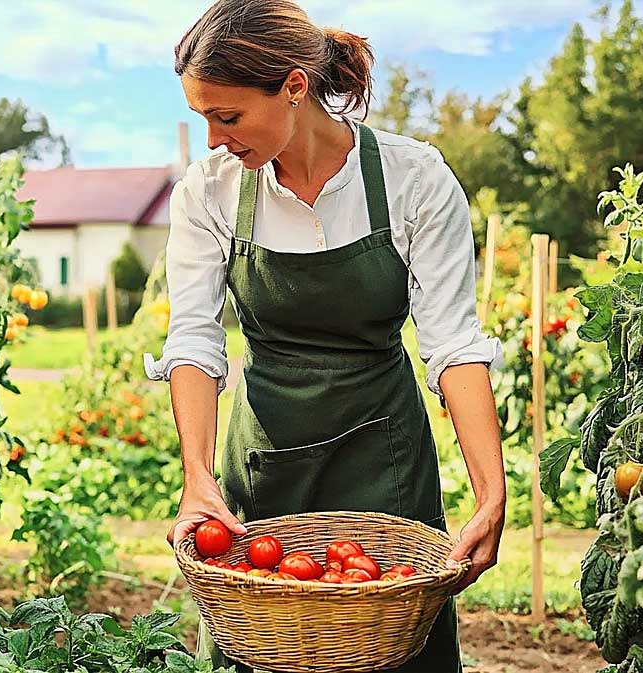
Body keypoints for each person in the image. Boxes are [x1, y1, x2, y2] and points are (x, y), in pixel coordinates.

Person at [146, 1, 507, 670]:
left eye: (227, 118)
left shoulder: (414, 179)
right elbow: (195, 340)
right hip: (264, 463)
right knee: (262, 646)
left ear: (293, 86)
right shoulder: (211, 190)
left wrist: (491, 490)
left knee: (395, 652)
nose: (214, 140)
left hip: (386, 459)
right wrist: (197, 475)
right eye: (203, 119)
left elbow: (454, 343)